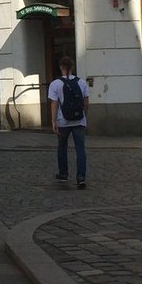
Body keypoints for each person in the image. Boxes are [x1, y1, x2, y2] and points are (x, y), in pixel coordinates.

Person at [48, 55, 90, 188]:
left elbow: (54, 104)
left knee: (62, 147)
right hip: (79, 121)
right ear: (72, 67)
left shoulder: (55, 84)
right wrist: (84, 117)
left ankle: (63, 173)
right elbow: (86, 103)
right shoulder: (81, 82)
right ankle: (81, 177)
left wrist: (53, 121)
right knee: (80, 149)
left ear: (61, 67)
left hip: (63, 121)